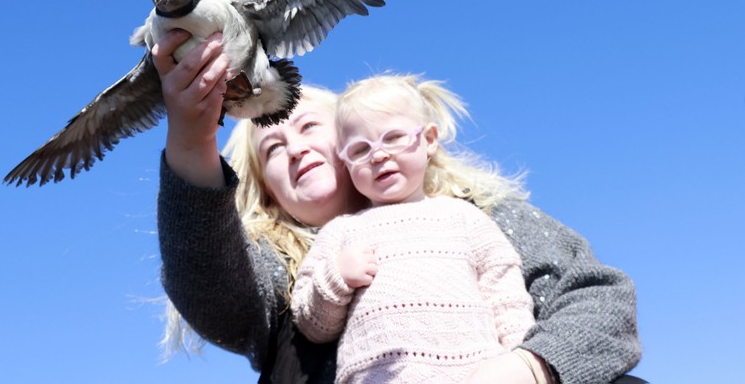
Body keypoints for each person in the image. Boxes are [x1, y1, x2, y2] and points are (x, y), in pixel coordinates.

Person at [153, 29, 642, 384]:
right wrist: (193, 143)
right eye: (272, 150)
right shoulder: (280, 277)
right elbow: (212, 288)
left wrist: (530, 365)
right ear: (266, 191)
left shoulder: (472, 216)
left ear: (352, 140)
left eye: (308, 129)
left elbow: (598, 298)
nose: (295, 149)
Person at [290, 75, 536, 382]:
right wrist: (336, 277)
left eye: (393, 138)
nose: (378, 155)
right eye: (360, 149)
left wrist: (519, 359)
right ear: (345, 162)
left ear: (429, 139)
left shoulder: (464, 217)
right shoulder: (341, 232)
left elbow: (507, 297)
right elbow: (312, 325)